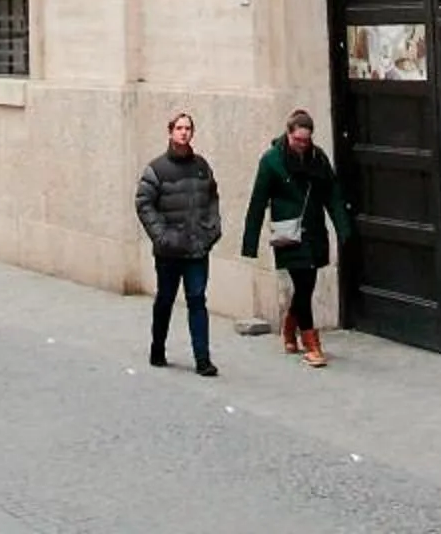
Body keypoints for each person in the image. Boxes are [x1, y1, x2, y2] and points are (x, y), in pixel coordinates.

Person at [239, 107, 352, 367]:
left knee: (306, 285)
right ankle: (312, 344)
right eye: (297, 140)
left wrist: (342, 229)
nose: (301, 145)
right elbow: (258, 202)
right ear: (288, 134)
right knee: (302, 283)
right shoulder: (271, 161)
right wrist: (250, 242)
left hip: (313, 230)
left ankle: (290, 326)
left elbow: (332, 195)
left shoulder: (318, 158)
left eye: (306, 140)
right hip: (288, 233)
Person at [133, 111, 222, 375]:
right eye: (179, 128)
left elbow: (213, 198)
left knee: (197, 300)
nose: (184, 132)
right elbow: (144, 203)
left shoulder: (201, 166)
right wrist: (162, 236)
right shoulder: (157, 169)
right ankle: (157, 346)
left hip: (197, 248)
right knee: (166, 299)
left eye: (188, 128)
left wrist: (212, 229)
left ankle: (202, 359)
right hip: (169, 250)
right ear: (170, 132)